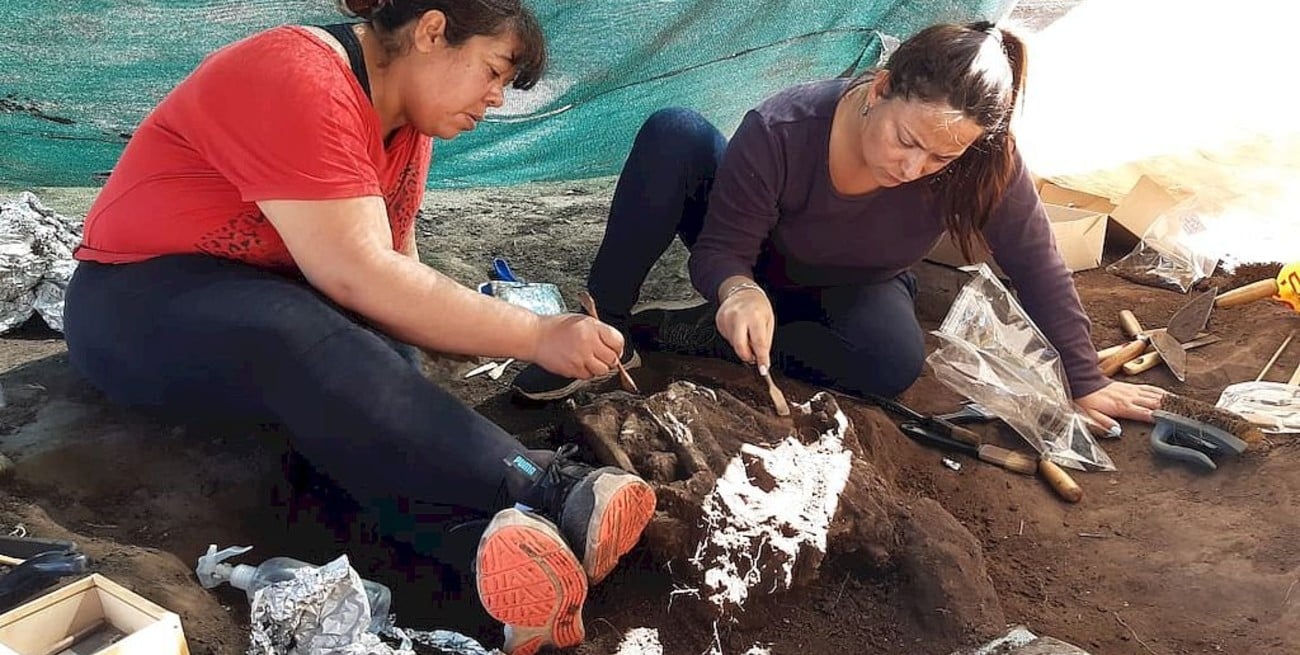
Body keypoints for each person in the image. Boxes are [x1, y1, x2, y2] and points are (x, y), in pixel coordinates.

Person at [62, 1, 654, 653]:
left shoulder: (408, 126)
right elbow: (358, 275)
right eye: (492, 72)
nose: (495, 100)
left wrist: (394, 391)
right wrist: (536, 335)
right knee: (291, 333)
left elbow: (396, 282)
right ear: (432, 31)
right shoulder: (299, 74)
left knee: (375, 397)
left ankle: (487, 564)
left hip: (272, 301)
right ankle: (541, 486)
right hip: (136, 301)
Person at [512, 21, 1167, 431]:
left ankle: (686, 331)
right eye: (909, 141)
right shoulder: (784, 129)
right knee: (673, 133)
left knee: (893, 361)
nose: (916, 168)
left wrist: (1084, 378)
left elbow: (1035, 257)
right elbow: (721, 248)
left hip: (854, 281)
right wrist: (736, 288)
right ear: (880, 89)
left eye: (942, 156)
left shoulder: (981, 160)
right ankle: (603, 327)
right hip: (756, 254)